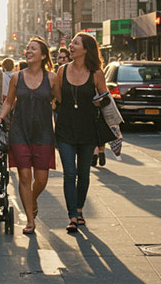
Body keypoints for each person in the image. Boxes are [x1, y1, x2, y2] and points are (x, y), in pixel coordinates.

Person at [0, 37, 60, 235]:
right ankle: (30, 220)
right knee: (24, 176)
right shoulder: (17, 77)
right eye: (27, 48)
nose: (28, 51)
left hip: (43, 133)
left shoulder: (52, 78)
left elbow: (59, 101)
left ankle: (31, 200)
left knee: (41, 179)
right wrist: (0, 117)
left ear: (42, 55)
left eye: (33, 49)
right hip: (19, 132)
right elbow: (9, 101)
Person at [54, 32, 116, 233]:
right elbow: (57, 100)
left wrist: (99, 100)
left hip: (88, 129)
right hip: (65, 129)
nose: (71, 46)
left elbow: (106, 97)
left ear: (86, 49)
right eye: (71, 42)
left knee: (84, 173)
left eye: (75, 43)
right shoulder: (62, 71)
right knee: (69, 174)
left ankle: (79, 208)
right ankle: (72, 215)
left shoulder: (96, 73)